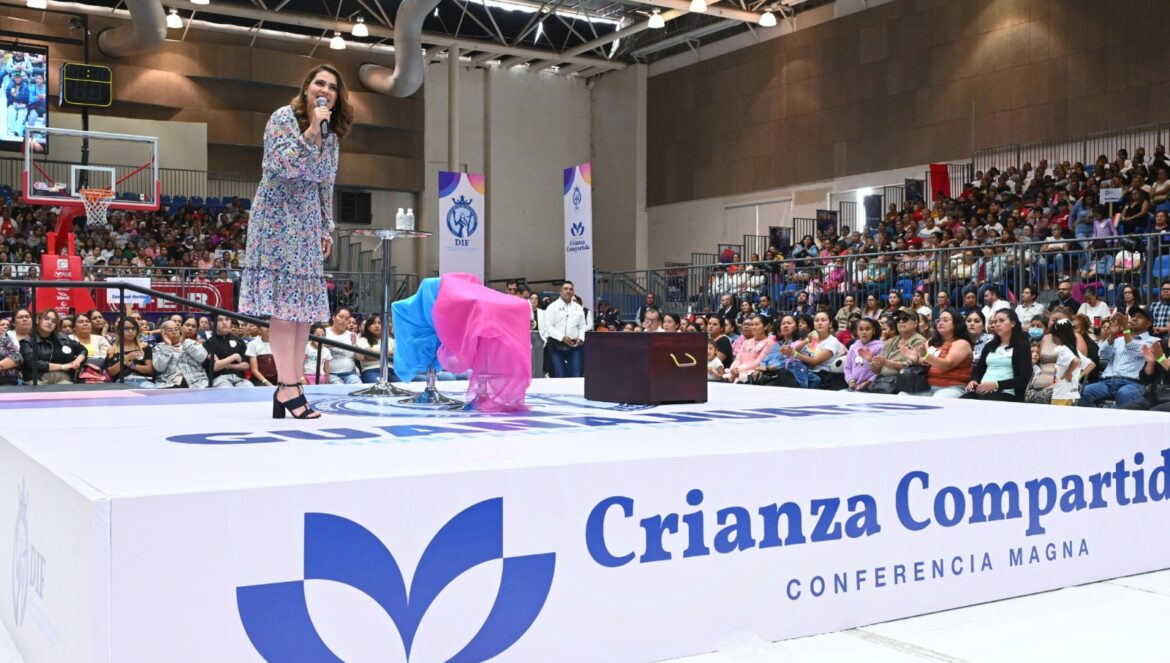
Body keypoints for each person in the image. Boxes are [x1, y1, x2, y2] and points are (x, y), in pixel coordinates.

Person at [239, 64, 352, 419]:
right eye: (320, 83)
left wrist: (325, 227)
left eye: (332, 87)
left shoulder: (332, 137)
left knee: (302, 311)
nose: (325, 90)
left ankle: (292, 384)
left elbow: (325, 184)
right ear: (306, 88)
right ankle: (288, 385)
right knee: (284, 307)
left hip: (306, 220)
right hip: (276, 217)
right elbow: (279, 165)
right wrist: (311, 132)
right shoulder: (282, 119)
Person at [1079, 308, 1159, 408]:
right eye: (1133, 316)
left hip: (1133, 384)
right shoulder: (1119, 340)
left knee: (1125, 394)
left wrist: (1125, 327)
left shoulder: (1154, 341)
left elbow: (1131, 347)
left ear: (1148, 324)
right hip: (1107, 382)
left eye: (1139, 317)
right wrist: (1112, 334)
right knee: (1083, 392)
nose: (1134, 319)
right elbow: (1103, 354)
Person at [962, 309, 1032, 402]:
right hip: (981, 391)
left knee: (982, 403)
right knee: (961, 402)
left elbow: (1024, 378)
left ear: (1013, 323)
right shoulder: (989, 346)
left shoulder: (1022, 345)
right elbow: (978, 371)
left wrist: (996, 385)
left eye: (1001, 321)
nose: (997, 324)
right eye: (995, 322)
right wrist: (974, 381)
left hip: (1007, 393)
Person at [909, 307, 972, 397]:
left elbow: (947, 365)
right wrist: (916, 359)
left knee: (937, 399)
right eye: (939, 320)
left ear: (956, 323)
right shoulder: (932, 341)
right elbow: (925, 362)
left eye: (945, 320)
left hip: (953, 387)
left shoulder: (962, 343)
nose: (940, 323)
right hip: (929, 387)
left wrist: (926, 355)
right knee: (902, 395)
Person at [19, 310, 87, 385]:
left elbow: (83, 350)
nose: (50, 322)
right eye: (46, 319)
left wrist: (77, 361)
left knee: (67, 387)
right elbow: (32, 363)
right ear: (38, 320)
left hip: (62, 377)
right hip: (37, 379)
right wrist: (63, 367)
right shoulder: (27, 342)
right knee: (39, 388)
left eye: (54, 321)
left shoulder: (63, 338)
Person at [541, 280, 588, 378]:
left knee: (576, 374)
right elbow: (547, 326)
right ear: (560, 291)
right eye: (565, 289)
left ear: (573, 292)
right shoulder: (552, 307)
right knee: (560, 374)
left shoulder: (578, 308)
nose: (568, 291)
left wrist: (581, 337)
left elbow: (582, 326)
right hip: (556, 344)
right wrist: (562, 337)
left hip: (574, 345)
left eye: (571, 289)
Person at [152, 319, 210, 388]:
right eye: (170, 330)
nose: (174, 332)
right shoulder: (159, 347)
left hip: (197, 383)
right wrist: (168, 347)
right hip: (170, 384)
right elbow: (159, 368)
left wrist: (184, 343)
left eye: (176, 329)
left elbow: (202, 357)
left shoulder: (191, 343)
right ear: (163, 333)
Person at [204, 314, 254, 388]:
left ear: (230, 321)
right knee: (226, 391)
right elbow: (214, 367)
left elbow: (246, 365)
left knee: (251, 389)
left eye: (227, 319)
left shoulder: (240, 341)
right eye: (220, 320)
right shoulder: (208, 343)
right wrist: (234, 357)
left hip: (240, 379)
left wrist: (227, 365)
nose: (224, 323)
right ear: (213, 323)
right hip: (219, 379)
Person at [1048, 319, 1091, 406]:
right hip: (1069, 393)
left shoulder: (1064, 349)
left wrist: (1068, 373)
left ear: (1057, 336)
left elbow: (1075, 361)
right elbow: (1091, 364)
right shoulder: (1074, 351)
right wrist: (1079, 376)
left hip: (1061, 394)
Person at [106, 317, 155, 388]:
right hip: (121, 382)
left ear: (137, 330)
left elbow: (149, 370)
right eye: (126, 328)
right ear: (119, 330)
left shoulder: (144, 347)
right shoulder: (113, 350)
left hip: (143, 381)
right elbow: (111, 373)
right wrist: (126, 358)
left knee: (151, 389)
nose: (130, 331)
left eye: (133, 328)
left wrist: (131, 365)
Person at [357, 314, 395, 383]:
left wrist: (374, 354)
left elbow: (397, 356)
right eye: (373, 323)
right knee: (378, 387)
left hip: (391, 370)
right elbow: (370, 355)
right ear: (368, 327)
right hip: (371, 370)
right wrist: (390, 353)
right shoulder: (362, 340)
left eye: (379, 323)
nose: (377, 326)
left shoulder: (390, 340)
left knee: (403, 385)